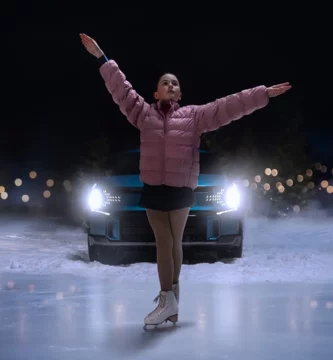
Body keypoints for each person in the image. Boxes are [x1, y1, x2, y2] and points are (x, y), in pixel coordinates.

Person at [79, 33, 291, 327]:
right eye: (165, 82)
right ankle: (172, 303)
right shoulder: (142, 114)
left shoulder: (194, 117)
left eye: (174, 83)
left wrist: (263, 93)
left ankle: (168, 299)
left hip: (180, 188)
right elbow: (121, 89)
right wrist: (101, 56)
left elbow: (229, 106)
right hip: (154, 187)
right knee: (165, 242)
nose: (170, 85)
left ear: (179, 94)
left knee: (170, 242)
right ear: (156, 93)